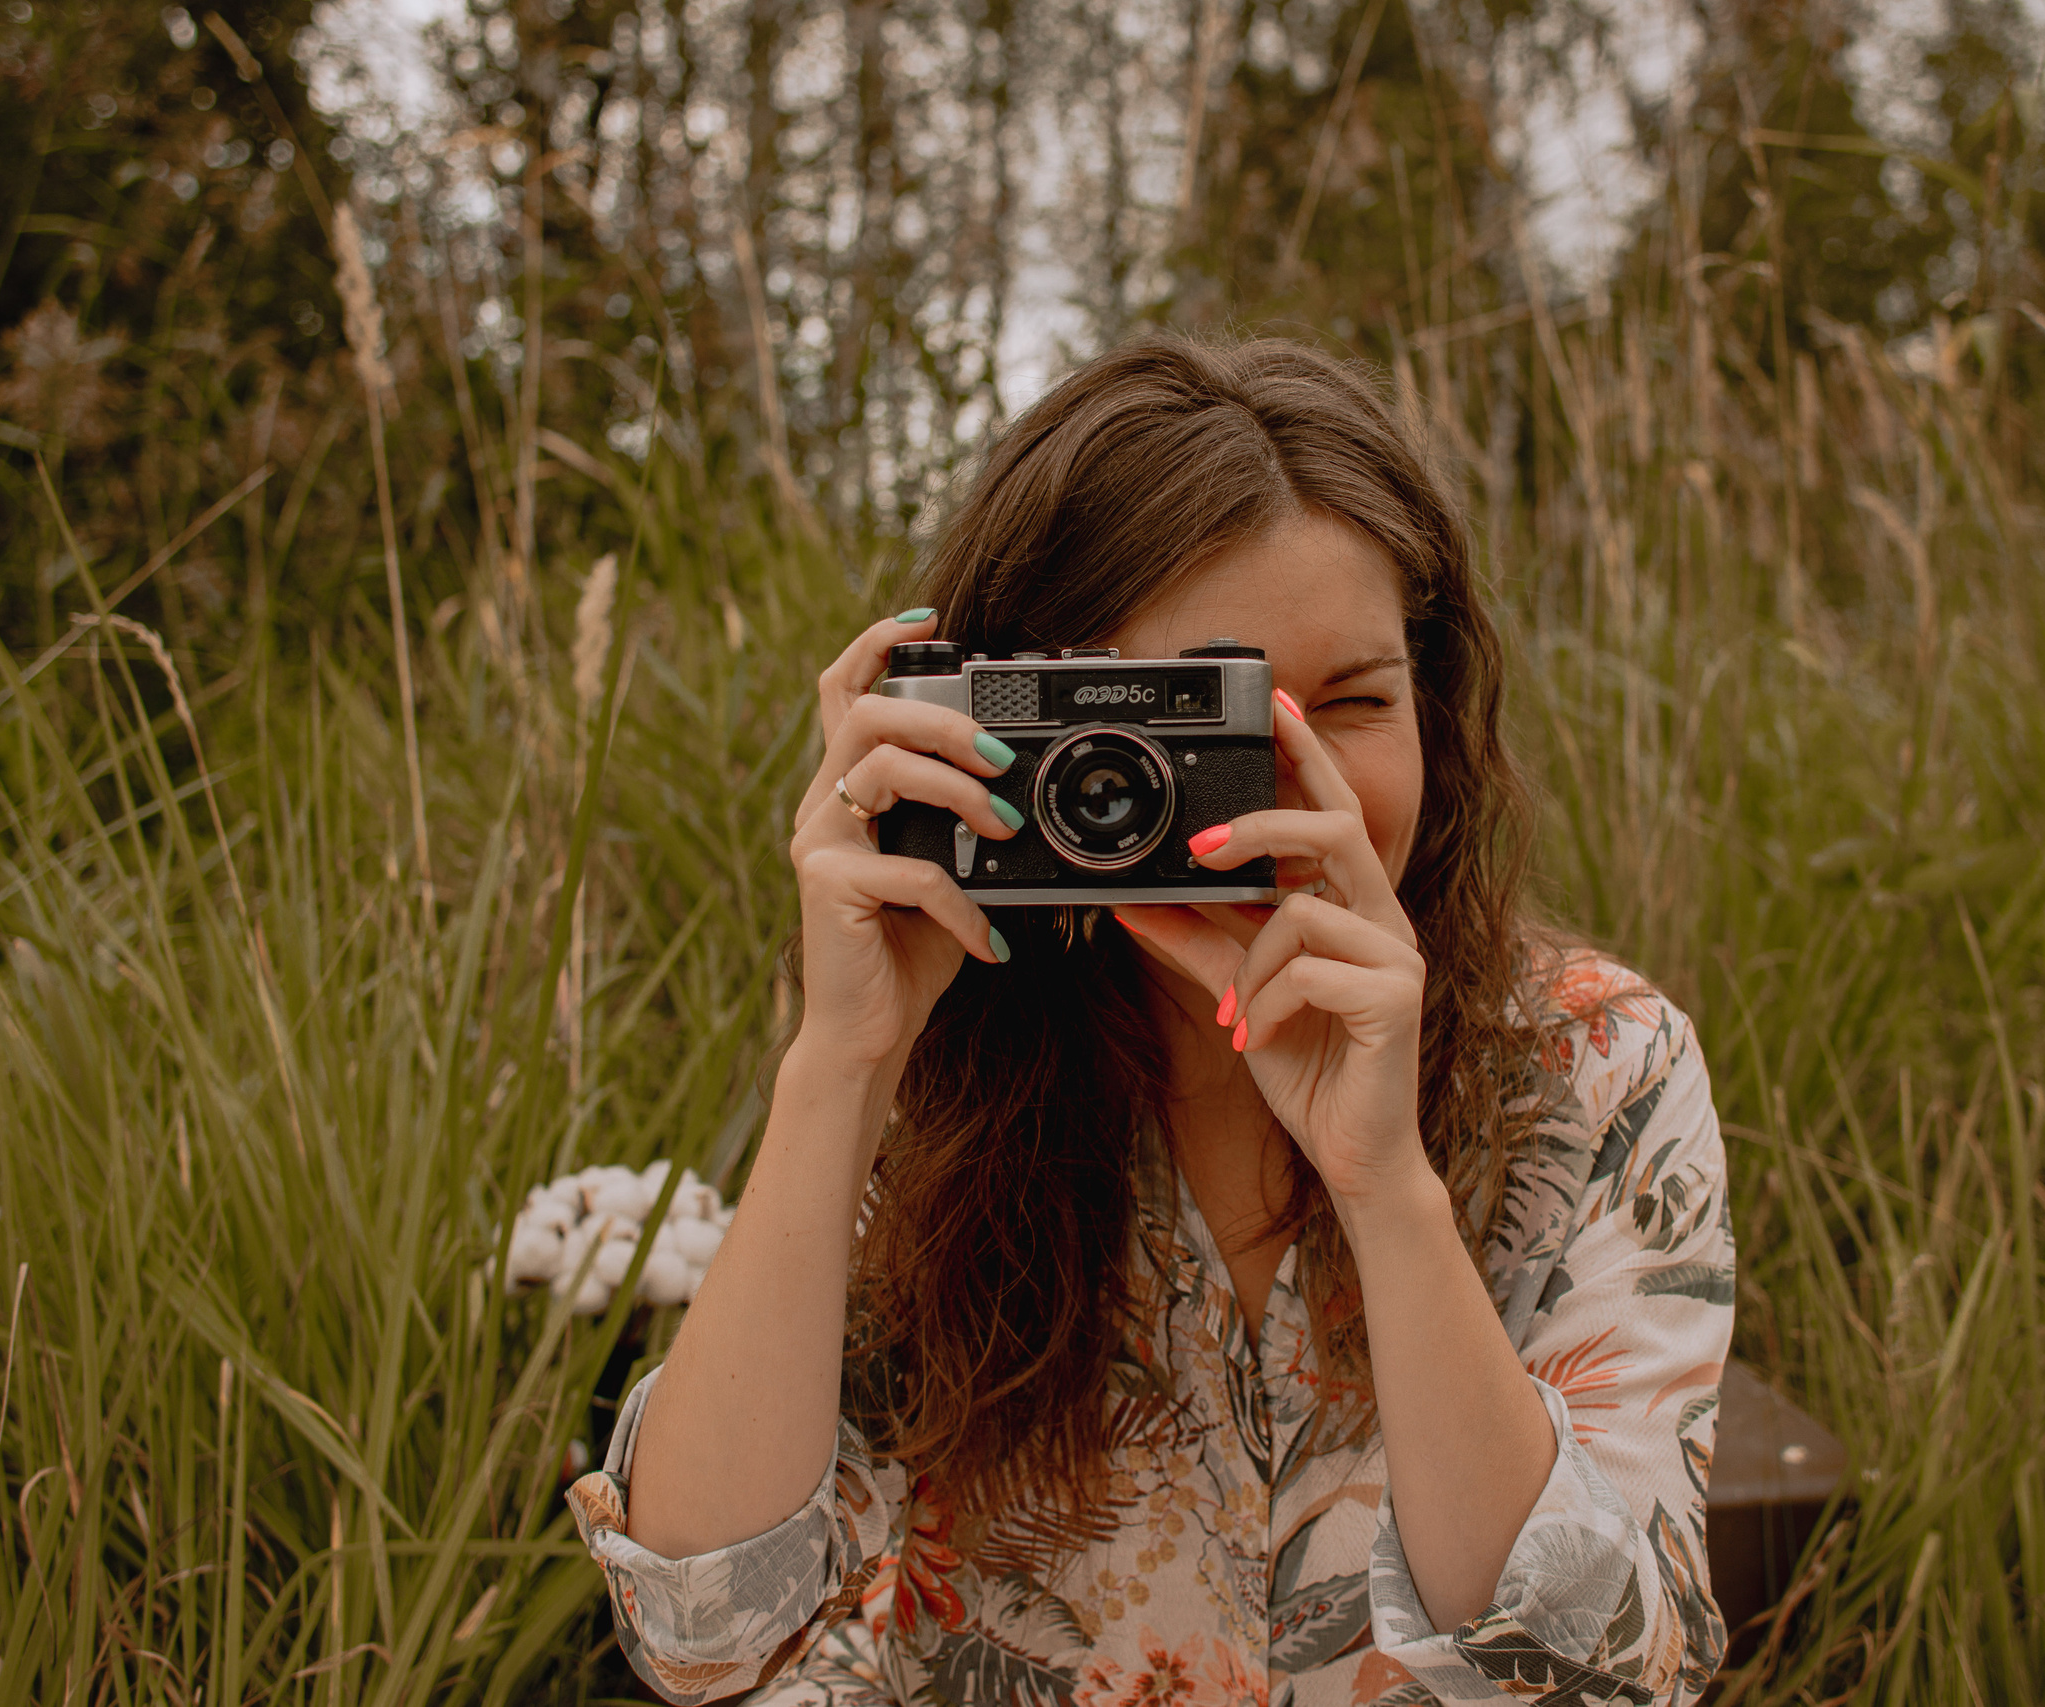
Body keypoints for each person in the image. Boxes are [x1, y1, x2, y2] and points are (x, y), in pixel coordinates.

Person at [565, 334, 1735, 1706]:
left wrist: (1387, 1189)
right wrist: (842, 1064)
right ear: (1015, 722)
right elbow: (703, 1635)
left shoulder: (1599, 1063)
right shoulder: (933, 1055)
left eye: (1351, 703)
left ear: (1436, 706)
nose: (1293, 784)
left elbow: (1599, 1682)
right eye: (1200, 720)